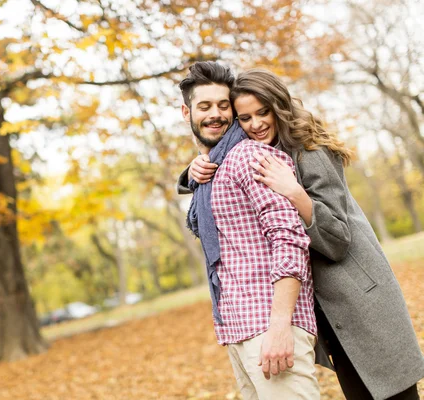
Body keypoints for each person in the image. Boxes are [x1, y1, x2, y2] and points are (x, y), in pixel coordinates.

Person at [178, 68, 424, 400]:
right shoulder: (259, 153)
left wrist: (296, 193)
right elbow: (221, 167)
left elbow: (337, 238)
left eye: (263, 112)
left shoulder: (310, 151)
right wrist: (191, 171)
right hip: (325, 308)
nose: (255, 124)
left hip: (358, 298)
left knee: (394, 394)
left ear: (278, 107)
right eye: (245, 117)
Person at [179, 61, 321, 399]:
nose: (215, 114)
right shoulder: (213, 169)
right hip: (238, 328)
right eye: (205, 106)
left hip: (271, 327)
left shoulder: (250, 157)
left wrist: (280, 326)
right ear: (186, 112)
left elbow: (289, 238)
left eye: (223, 105)